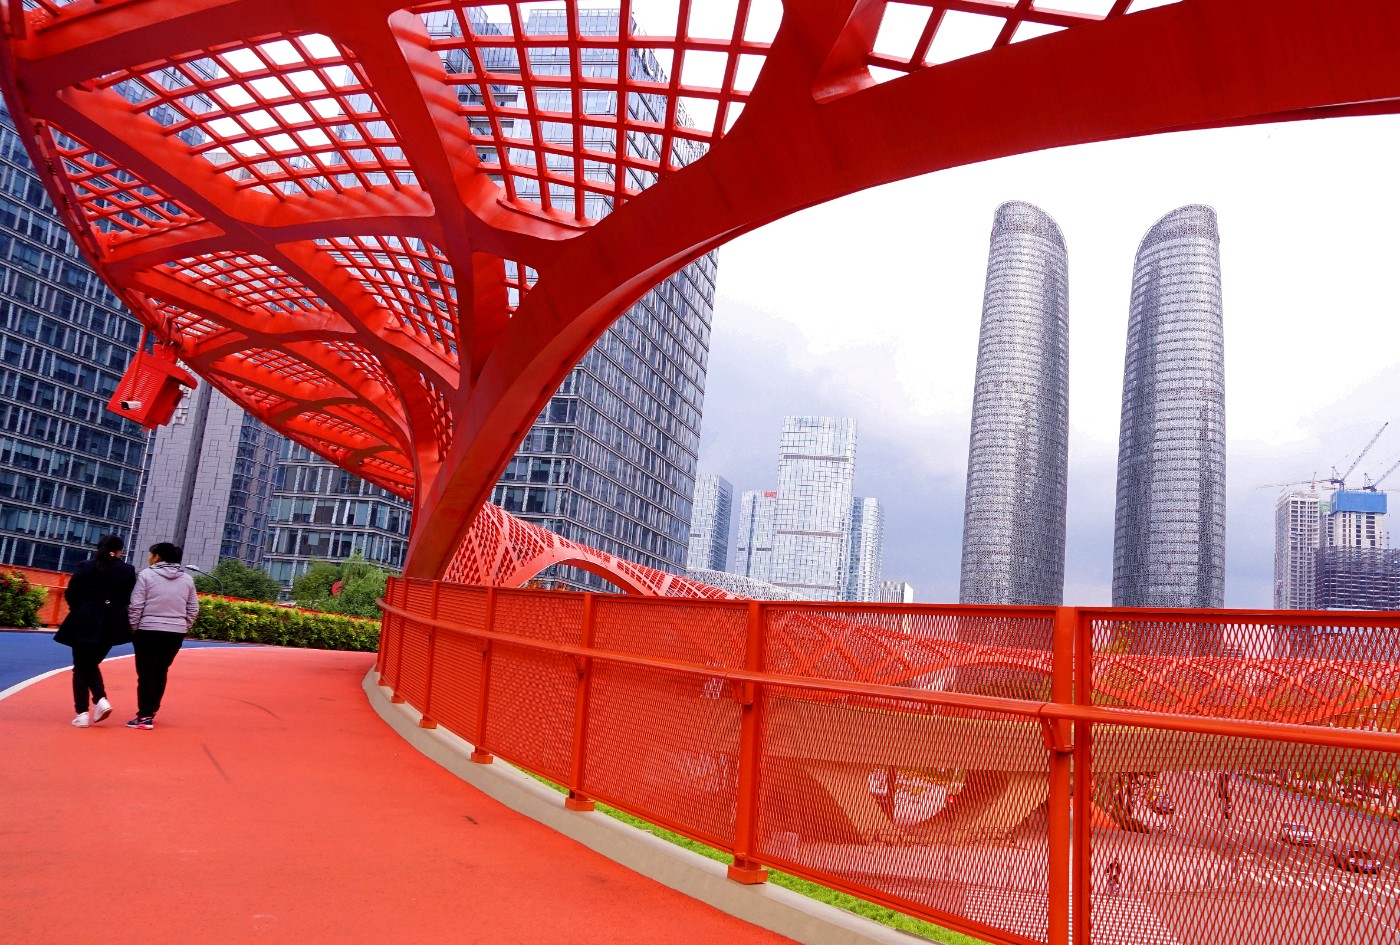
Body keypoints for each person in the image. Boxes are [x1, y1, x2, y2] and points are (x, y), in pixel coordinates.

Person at [54, 534, 136, 727]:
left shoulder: (86, 566)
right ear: (120, 550)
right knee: (89, 664)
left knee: (82, 666)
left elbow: (71, 592)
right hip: (112, 622)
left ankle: (83, 712)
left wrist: (81, 608)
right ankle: (99, 700)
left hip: (84, 619)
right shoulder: (127, 570)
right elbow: (127, 597)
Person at [126, 542, 200, 730]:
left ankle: (144, 716)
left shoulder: (146, 575)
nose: (148, 558)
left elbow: (136, 605)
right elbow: (193, 608)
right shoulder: (187, 579)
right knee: (161, 671)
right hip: (175, 633)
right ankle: (151, 710)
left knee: (146, 673)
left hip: (148, 630)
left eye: (150, 554)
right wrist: (183, 625)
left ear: (157, 557)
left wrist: (133, 627)